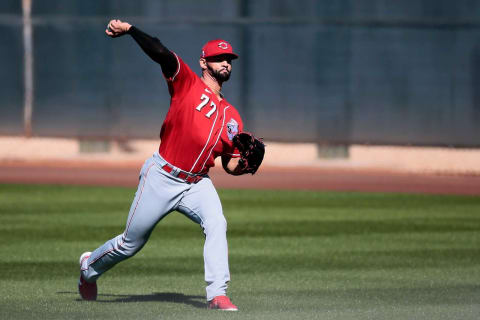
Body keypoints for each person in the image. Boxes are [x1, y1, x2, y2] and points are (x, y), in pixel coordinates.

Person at [78, 19, 252, 311]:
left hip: (198, 183)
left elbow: (230, 165)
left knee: (217, 223)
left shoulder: (233, 116)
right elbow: (160, 52)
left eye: (229, 59)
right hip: (162, 176)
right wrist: (131, 30)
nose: (225, 62)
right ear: (203, 63)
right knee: (130, 243)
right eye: (219, 58)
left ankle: (217, 295)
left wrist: (244, 165)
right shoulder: (186, 83)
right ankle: (88, 269)